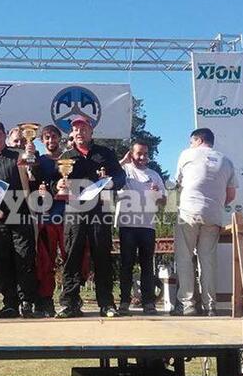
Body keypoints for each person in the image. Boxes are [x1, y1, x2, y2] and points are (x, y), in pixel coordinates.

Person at [53, 116, 126, 318]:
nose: (79, 132)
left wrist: (110, 183)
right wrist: (56, 186)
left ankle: (106, 303)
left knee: (102, 256)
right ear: (71, 133)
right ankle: (70, 303)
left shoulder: (105, 154)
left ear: (91, 131)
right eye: (75, 129)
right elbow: (52, 182)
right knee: (72, 256)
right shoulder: (65, 156)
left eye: (83, 128)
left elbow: (121, 177)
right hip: (74, 212)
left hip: (100, 211)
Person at [0, 121, 40, 318]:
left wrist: (32, 158)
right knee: (4, 262)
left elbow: (33, 177)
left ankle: (27, 302)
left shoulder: (19, 155)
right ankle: (10, 303)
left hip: (22, 214)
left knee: (25, 259)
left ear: (4, 136)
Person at [173, 128, 236, 317]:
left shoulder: (187, 154)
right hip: (213, 215)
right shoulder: (226, 161)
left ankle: (188, 304)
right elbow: (231, 195)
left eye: (191, 141)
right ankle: (210, 306)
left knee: (184, 258)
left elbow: (178, 181)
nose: (190, 144)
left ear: (198, 140)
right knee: (207, 261)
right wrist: (215, 204)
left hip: (189, 212)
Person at [116, 141, 166, 315]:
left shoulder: (154, 175)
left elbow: (163, 202)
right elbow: (108, 175)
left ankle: (149, 302)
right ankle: (124, 302)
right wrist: (123, 161)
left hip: (147, 226)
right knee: (126, 265)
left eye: (145, 154)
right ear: (131, 154)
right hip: (127, 225)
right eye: (139, 154)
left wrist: (157, 193)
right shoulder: (124, 171)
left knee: (147, 266)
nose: (143, 157)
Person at [34, 125, 66, 317]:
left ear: (59, 138)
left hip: (69, 216)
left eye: (53, 136)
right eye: (46, 137)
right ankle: (45, 301)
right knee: (45, 263)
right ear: (41, 140)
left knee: (72, 260)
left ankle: (70, 299)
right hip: (46, 217)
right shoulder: (38, 161)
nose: (50, 140)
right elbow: (31, 185)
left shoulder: (69, 158)